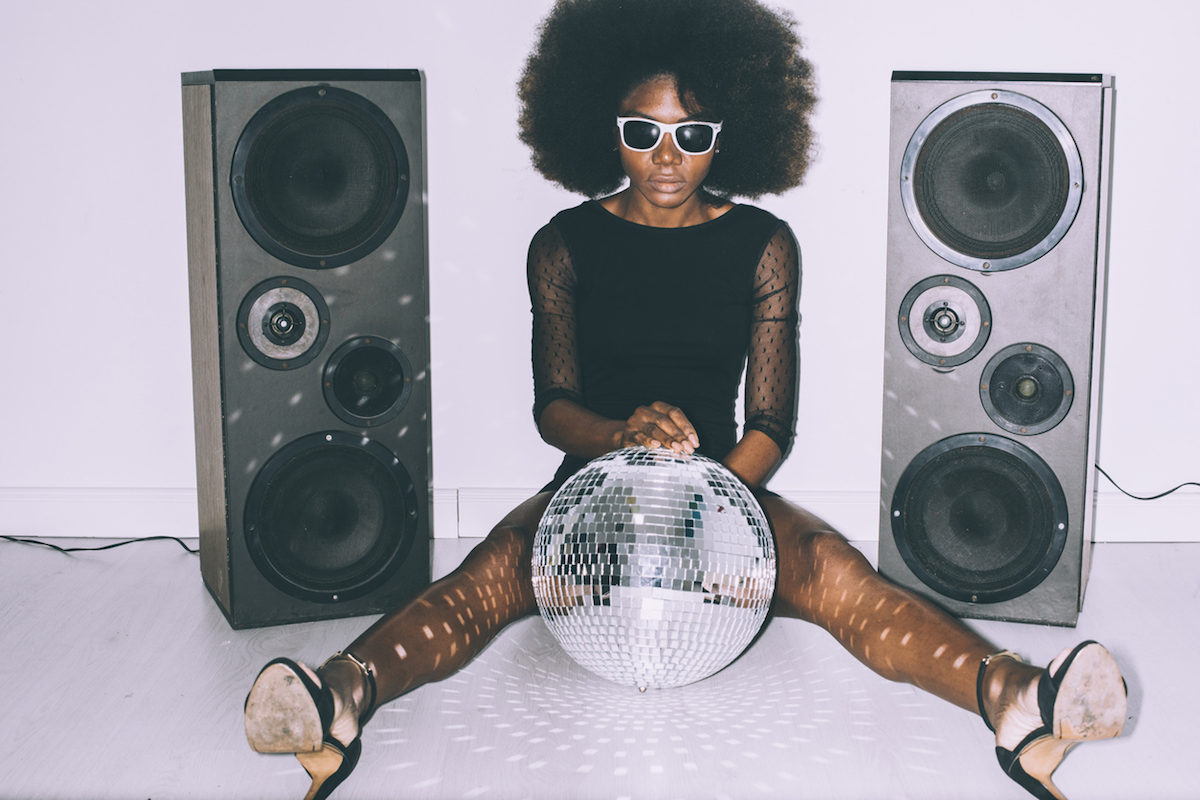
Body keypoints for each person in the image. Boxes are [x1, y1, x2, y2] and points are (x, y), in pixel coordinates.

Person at [242, 1, 1127, 798]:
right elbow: (554, 407)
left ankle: (1016, 699)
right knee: (489, 574)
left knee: (835, 573)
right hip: (592, 484)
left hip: (720, 488)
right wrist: (624, 439)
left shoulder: (763, 243)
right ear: (605, 128)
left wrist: (708, 505)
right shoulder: (563, 243)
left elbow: (772, 425)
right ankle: (340, 698)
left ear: (725, 136)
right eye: (643, 129)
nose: (667, 156)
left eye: (692, 134)